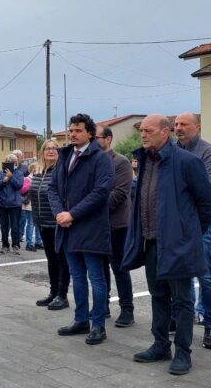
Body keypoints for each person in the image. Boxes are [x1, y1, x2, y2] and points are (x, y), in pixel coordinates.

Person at [123, 115, 211, 376]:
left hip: (178, 243)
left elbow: (206, 202)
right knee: (158, 295)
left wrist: (190, 233)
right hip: (151, 242)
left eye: (148, 130)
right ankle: (160, 345)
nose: (142, 134)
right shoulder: (145, 160)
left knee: (182, 300)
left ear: (165, 132)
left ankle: (183, 352)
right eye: (141, 130)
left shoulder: (187, 161)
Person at [47, 113, 114, 345]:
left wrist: (72, 214)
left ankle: (98, 326)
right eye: (71, 130)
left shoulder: (100, 158)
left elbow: (101, 192)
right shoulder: (65, 156)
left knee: (96, 278)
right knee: (77, 277)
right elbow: (52, 188)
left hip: (91, 228)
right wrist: (60, 214)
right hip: (67, 228)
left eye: (78, 130)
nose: (73, 134)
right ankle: (80, 319)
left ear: (90, 133)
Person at [174, 112, 211, 349]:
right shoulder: (171, 151)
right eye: (176, 124)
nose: (178, 128)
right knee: (181, 274)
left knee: (206, 275)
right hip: (175, 223)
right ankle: (185, 319)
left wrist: (178, 191)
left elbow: (210, 186)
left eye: (183, 124)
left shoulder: (208, 152)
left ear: (197, 126)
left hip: (199, 223)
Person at [96, 125, 135, 327]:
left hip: (117, 224)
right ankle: (103, 306)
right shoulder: (92, 162)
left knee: (119, 268)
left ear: (108, 139)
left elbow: (119, 193)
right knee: (99, 268)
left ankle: (127, 309)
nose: (93, 141)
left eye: (97, 137)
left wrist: (91, 206)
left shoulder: (120, 162)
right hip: (96, 225)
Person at [30, 139, 70, 311]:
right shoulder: (38, 171)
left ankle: (62, 295)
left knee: (61, 260)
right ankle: (53, 293)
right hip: (42, 222)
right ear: (42, 152)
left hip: (57, 222)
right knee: (51, 260)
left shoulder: (61, 171)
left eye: (54, 148)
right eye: (47, 148)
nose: (51, 151)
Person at [0, 153, 25, 254]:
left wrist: (11, 177)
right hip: (1, 203)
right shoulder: (0, 173)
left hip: (15, 204)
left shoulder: (19, 173)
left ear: (15, 163)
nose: (8, 164)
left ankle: (16, 245)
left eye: (11, 162)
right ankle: (5, 245)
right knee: (4, 226)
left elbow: (19, 186)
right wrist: (3, 181)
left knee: (15, 226)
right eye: (7, 162)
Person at [23, 163, 41, 251]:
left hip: (39, 204)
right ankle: (29, 243)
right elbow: (22, 190)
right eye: (37, 168)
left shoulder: (40, 178)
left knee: (38, 224)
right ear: (32, 169)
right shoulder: (27, 179)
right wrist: (31, 185)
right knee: (31, 224)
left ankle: (38, 242)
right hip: (30, 204)